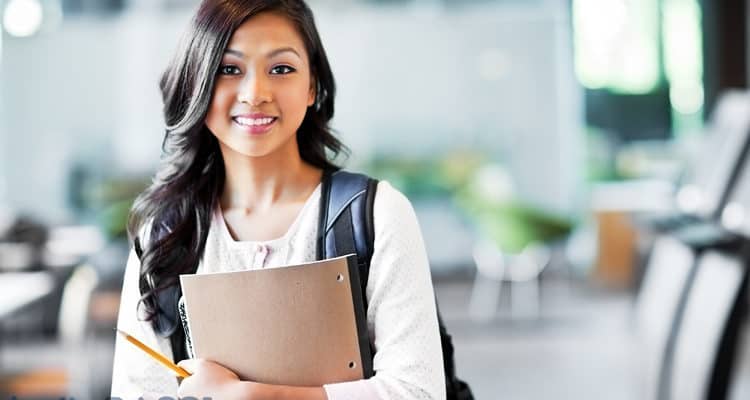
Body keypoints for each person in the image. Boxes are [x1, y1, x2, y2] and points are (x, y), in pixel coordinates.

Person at [110, 0, 445, 399]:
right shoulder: (164, 235)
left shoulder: (376, 214)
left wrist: (253, 396)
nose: (256, 93)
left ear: (312, 86)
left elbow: (417, 391)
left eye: (281, 69)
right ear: (197, 81)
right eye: (228, 69)